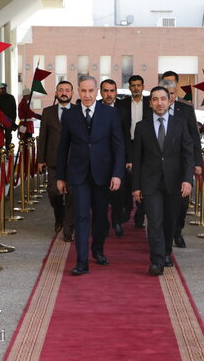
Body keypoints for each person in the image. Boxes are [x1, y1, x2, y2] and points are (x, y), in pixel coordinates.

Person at [57, 75, 125, 276]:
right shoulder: (70, 115)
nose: (87, 95)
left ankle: (98, 250)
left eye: (90, 91)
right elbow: (63, 148)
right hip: (78, 175)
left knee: (101, 216)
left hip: (103, 174)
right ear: (78, 91)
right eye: (83, 91)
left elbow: (118, 146)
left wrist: (117, 174)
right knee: (81, 216)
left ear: (97, 92)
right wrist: (60, 177)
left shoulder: (109, 113)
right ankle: (81, 261)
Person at [133, 86, 193, 275]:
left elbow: (187, 154)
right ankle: (157, 260)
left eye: (163, 99)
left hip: (174, 182)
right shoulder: (142, 127)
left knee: (169, 221)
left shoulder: (180, 124)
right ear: (150, 103)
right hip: (151, 183)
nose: (159, 103)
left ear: (169, 101)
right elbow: (137, 159)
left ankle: (167, 251)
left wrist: (187, 180)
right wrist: (136, 187)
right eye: (155, 99)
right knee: (154, 220)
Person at [161, 72, 202, 248]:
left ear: (175, 92)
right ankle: (163, 237)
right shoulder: (153, 111)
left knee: (182, 203)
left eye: (171, 93)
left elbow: (194, 137)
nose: (168, 97)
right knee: (163, 203)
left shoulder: (185, 110)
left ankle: (177, 231)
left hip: (182, 164)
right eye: (165, 93)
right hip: (161, 164)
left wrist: (197, 162)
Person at [37, 80, 75, 242]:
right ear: (56, 93)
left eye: (67, 90)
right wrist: (40, 160)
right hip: (53, 160)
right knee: (53, 192)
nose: (64, 92)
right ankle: (59, 216)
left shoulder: (78, 111)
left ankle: (68, 228)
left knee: (72, 196)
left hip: (74, 161)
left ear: (72, 93)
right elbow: (43, 137)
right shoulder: (48, 112)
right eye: (61, 90)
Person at [114, 74, 152, 228]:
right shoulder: (121, 105)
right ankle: (127, 209)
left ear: (143, 86)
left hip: (146, 147)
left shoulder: (150, 103)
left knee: (144, 182)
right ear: (130, 88)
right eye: (133, 85)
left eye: (138, 85)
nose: (136, 88)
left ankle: (140, 214)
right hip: (126, 144)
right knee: (127, 182)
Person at [100, 78, 127, 237]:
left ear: (116, 92)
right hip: (100, 159)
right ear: (101, 92)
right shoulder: (95, 107)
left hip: (119, 157)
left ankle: (116, 221)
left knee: (119, 193)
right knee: (101, 194)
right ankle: (102, 224)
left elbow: (127, 134)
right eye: (106, 91)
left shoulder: (123, 109)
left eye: (112, 91)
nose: (109, 94)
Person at [0, 83, 17, 148]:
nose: (2, 90)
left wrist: (12, 122)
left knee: (8, 137)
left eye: (3, 89)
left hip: (8, 120)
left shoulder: (11, 98)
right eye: (1, 89)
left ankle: (8, 153)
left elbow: (14, 111)